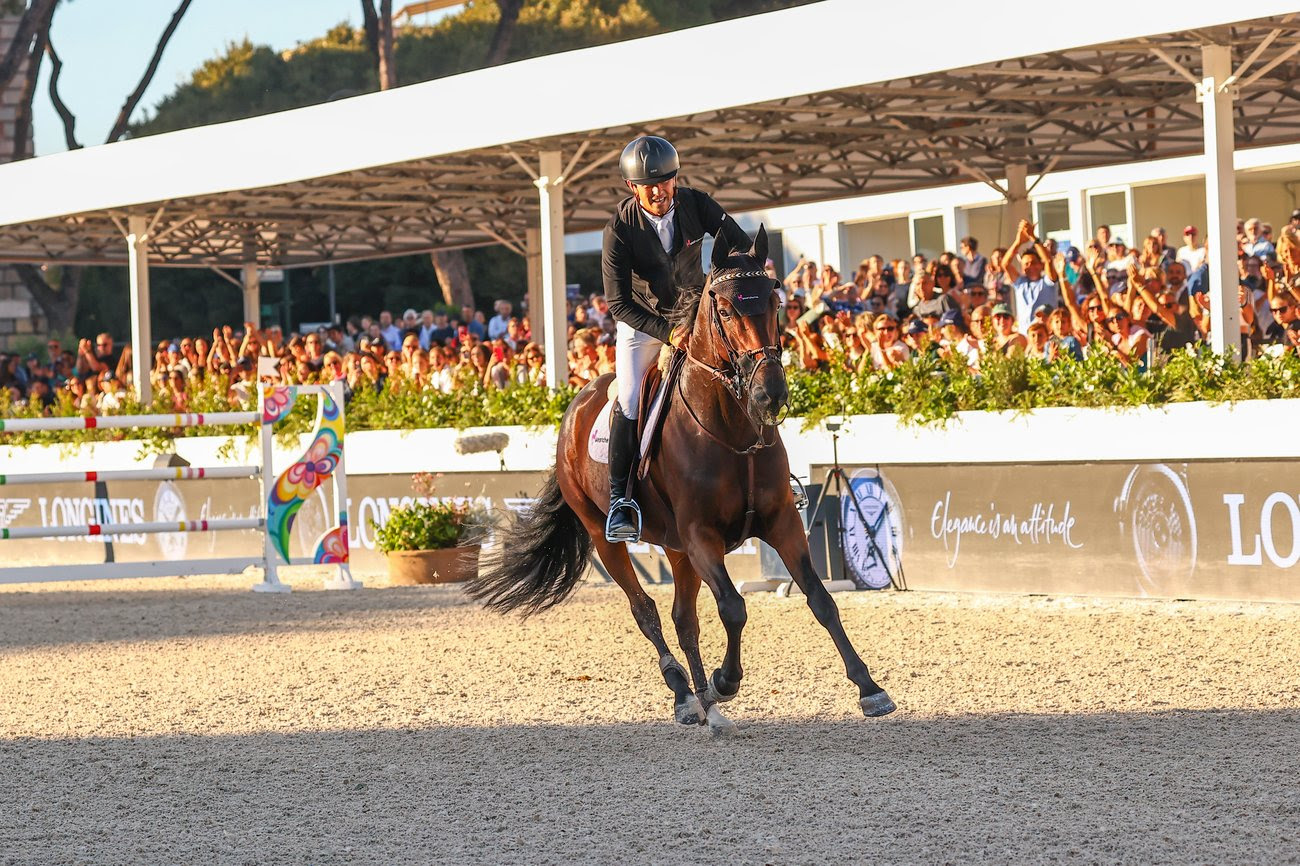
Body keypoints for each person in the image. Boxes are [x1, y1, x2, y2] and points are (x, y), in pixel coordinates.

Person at [600, 134, 751, 543]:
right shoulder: (619, 229)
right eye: (649, 185)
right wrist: (668, 332)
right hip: (644, 324)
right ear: (633, 188)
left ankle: (771, 474)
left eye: (666, 181)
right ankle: (621, 500)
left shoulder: (697, 203)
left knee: (746, 371)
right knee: (630, 398)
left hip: (697, 313)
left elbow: (739, 245)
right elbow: (618, 303)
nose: (659, 190)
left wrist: (732, 284)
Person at [1001, 220, 1061, 333]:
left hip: (1047, 335)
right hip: (1025, 335)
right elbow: (1005, 264)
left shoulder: (1048, 282)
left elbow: (1048, 260)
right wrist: (1018, 242)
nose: (1030, 267)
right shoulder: (1020, 283)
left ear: (1040, 264)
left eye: (1033, 263)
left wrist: (1033, 237)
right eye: (1026, 264)